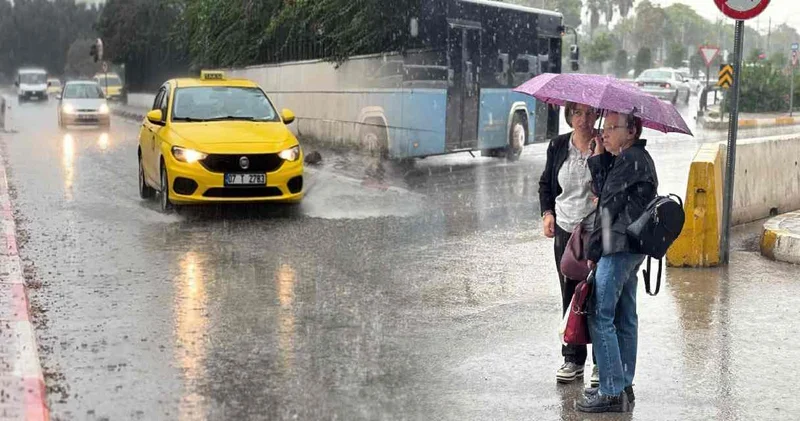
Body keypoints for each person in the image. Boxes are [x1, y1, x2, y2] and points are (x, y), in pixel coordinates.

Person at [577, 111, 658, 413]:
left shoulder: (629, 160)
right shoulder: (636, 159)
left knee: (600, 315)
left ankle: (611, 390)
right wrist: (600, 156)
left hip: (618, 246)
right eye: (605, 127)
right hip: (631, 247)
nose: (605, 133)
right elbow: (607, 193)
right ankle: (622, 384)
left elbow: (606, 211)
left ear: (632, 131)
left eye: (613, 128)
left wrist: (593, 254)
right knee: (625, 316)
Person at [538, 102, 601, 384]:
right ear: (569, 116)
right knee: (570, 293)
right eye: (577, 113)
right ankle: (572, 358)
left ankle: (602, 362)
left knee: (599, 295)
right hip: (565, 228)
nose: (583, 119)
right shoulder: (558, 145)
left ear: (597, 115)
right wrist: (547, 213)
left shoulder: (604, 145)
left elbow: (608, 185)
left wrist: (599, 158)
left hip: (596, 230)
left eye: (589, 113)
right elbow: (546, 184)